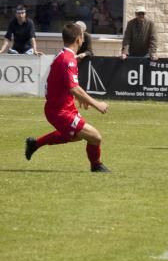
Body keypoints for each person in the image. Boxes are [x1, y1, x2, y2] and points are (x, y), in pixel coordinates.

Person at [24, 22, 110, 172]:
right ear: (78, 39)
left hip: (64, 107)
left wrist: (81, 100)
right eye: (82, 36)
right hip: (60, 111)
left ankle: (35, 144)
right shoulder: (67, 59)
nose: (83, 39)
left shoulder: (65, 56)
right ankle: (96, 166)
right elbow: (74, 88)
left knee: (75, 136)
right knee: (95, 137)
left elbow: (64, 86)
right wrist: (98, 104)